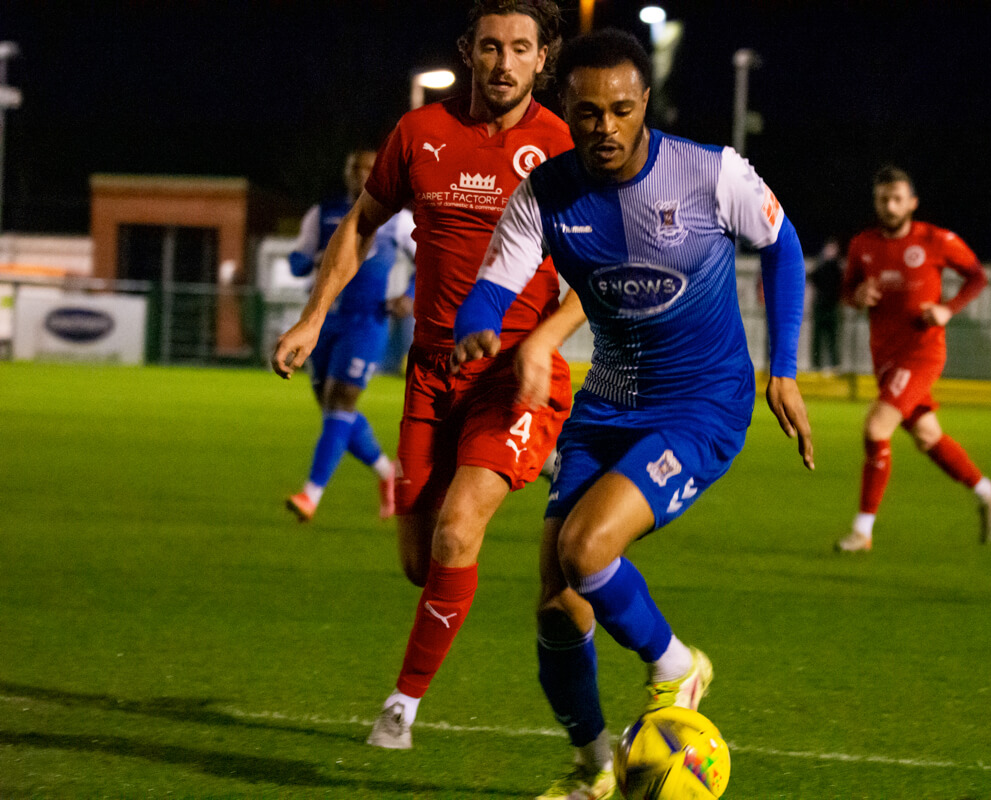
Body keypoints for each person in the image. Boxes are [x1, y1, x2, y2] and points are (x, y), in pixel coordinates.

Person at [454, 29, 814, 800]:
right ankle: (594, 773)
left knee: (587, 549)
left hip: (702, 405)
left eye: (621, 109)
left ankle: (678, 667)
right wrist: (473, 327)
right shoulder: (545, 195)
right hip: (608, 403)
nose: (605, 128)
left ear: (644, 101)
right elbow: (494, 285)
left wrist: (782, 367)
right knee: (556, 605)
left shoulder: (710, 173)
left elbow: (784, 247)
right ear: (566, 110)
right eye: (587, 113)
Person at [272, 0, 575, 750]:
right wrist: (313, 317)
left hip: (513, 376)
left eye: (521, 49)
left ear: (544, 60)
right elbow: (362, 223)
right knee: (420, 562)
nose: (504, 62)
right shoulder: (421, 134)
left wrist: (544, 344)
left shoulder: (562, 146)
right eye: (491, 47)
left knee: (457, 531)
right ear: (468, 51)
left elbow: (591, 271)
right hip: (431, 377)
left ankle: (401, 708)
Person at [836, 166, 991, 553]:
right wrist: (858, 296)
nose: (890, 206)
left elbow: (977, 276)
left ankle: (863, 531)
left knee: (876, 428)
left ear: (912, 203)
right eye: (883, 199)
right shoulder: (863, 244)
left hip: (922, 350)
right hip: (885, 354)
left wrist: (948, 309)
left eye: (897, 199)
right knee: (928, 436)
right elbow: (847, 293)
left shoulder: (935, 239)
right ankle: (987, 492)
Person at [284, 149, 405, 523]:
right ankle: (388, 474)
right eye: (356, 168)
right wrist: (314, 258)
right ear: (347, 173)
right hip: (324, 321)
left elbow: (429, 255)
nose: (362, 173)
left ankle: (310, 495)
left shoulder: (396, 220)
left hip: (367, 321)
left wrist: (411, 296)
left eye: (370, 167)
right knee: (332, 406)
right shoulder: (322, 214)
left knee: (342, 402)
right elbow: (295, 261)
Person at [380, 207, 417, 375]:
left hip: (399, 307)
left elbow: (429, 262)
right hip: (357, 308)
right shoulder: (337, 214)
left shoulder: (402, 221)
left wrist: (410, 294)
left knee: (395, 369)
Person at [808, 236, 845, 373]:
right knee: (817, 337)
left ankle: (834, 364)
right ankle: (816, 365)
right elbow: (813, 277)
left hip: (832, 307)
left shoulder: (836, 267)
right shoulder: (821, 265)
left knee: (832, 337)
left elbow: (841, 282)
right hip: (820, 306)